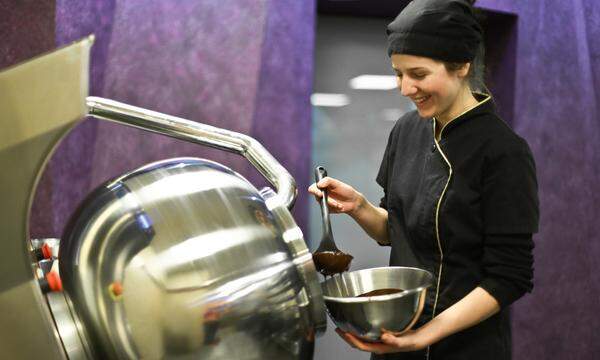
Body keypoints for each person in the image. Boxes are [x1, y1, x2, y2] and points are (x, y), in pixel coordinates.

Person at [308, 0, 539, 359]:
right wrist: (358, 207)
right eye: (398, 73)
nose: (404, 88)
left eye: (417, 74)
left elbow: (510, 277)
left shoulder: (504, 152)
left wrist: (426, 334)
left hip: (463, 348)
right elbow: (394, 231)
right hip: (396, 339)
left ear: (461, 65)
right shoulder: (407, 130)